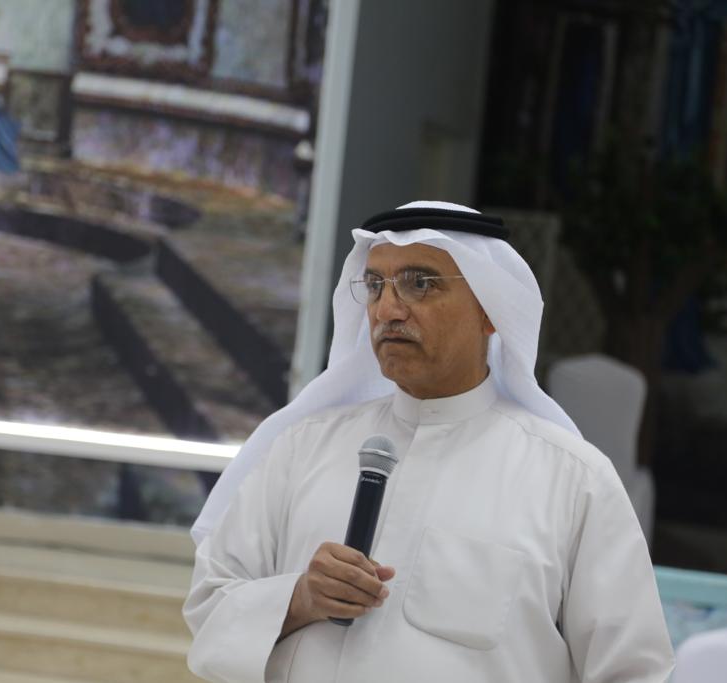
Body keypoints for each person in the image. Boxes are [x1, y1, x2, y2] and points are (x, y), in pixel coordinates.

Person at [183, 201, 675, 683]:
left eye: (420, 284)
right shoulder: (301, 449)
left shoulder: (572, 480)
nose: (387, 309)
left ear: (490, 310)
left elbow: (633, 670)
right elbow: (209, 606)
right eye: (375, 286)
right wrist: (301, 599)